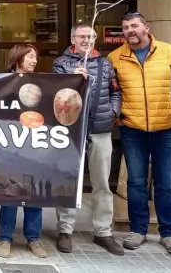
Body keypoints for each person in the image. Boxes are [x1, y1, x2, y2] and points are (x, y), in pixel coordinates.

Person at [108, 11, 171, 255]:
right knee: (136, 182)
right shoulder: (115, 57)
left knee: (165, 183)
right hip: (132, 129)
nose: (130, 31)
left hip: (166, 129)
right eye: (125, 27)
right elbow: (111, 91)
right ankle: (138, 230)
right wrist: (119, 118)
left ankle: (169, 233)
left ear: (146, 27)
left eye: (134, 26)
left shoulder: (170, 52)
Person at [52, 25, 123, 255]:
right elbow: (55, 93)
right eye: (82, 36)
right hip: (72, 131)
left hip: (100, 129)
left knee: (102, 183)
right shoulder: (62, 63)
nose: (86, 40)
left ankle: (103, 231)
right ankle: (65, 230)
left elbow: (115, 91)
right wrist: (71, 80)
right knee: (69, 180)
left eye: (91, 36)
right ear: (73, 38)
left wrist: (113, 111)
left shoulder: (105, 63)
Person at [0, 43, 48, 259]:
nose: (34, 60)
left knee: (34, 192)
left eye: (35, 57)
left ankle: (33, 238)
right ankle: (5, 238)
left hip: (34, 145)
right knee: (10, 192)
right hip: (11, 146)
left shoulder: (44, 83)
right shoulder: (2, 83)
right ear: (18, 58)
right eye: (30, 56)